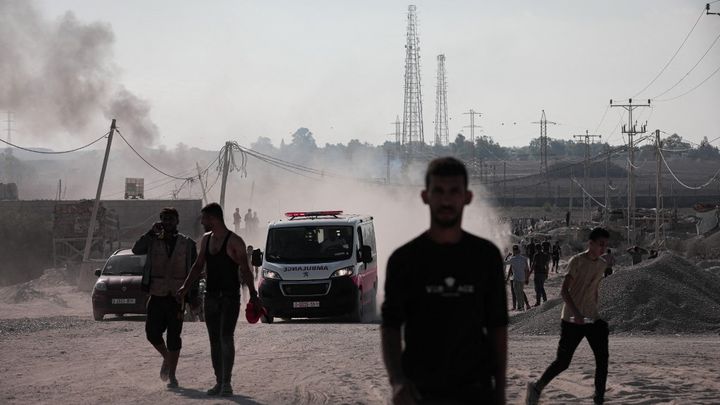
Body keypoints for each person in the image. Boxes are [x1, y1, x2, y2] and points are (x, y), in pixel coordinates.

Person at [381, 157, 508, 405]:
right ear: (425, 196)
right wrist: (397, 381)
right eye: (438, 191)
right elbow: (391, 327)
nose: (446, 200)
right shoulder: (404, 259)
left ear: (467, 197)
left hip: (475, 391)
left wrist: (500, 391)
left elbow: (498, 328)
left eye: (454, 191)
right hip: (421, 392)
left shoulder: (486, 256)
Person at [177, 203, 261, 397]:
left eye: (204, 218)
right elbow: (198, 266)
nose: (202, 222)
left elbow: (246, 271)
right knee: (214, 340)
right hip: (211, 296)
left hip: (230, 297)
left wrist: (254, 296)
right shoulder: (206, 240)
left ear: (214, 218)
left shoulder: (235, 241)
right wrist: (185, 287)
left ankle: (226, 382)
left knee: (225, 338)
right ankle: (218, 381)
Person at [526, 227, 611, 405]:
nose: (603, 249)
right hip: (572, 320)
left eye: (605, 245)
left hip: (591, 319)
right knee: (563, 362)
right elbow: (564, 291)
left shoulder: (602, 265)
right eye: (600, 245)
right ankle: (536, 388)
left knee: (602, 360)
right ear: (591, 243)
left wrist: (594, 310)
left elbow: (594, 288)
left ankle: (599, 399)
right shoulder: (577, 261)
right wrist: (577, 314)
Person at [132, 207, 197, 389]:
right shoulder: (152, 241)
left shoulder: (187, 244)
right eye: (164, 219)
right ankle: (168, 358)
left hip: (177, 298)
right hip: (157, 295)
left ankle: (173, 375)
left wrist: (193, 298)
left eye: (171, 219)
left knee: (174, 337)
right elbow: (136, 249)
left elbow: (194, 272)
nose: (168, 222)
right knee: (152, 333)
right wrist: (150, 233)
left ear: (177, 221)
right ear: (160, 221)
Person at [505, 245, 531, 312]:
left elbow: (505, 263)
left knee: (517, 293)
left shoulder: (512, 259)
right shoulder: (524, 258)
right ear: (519, 250)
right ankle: (521, 306)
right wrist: (527, 278)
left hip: (516, 278)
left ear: (514, 251)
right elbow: (527, 270)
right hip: (522, 278)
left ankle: (520, 307)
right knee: (521, 292)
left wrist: (507, 256)